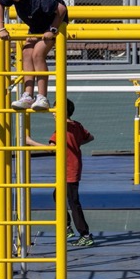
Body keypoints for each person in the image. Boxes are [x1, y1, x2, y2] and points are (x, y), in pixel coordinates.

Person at [0, 0, 69, 111]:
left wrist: (52, 29)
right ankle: (28, 95)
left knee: (38, 53)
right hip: (36, 25)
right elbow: (0, 4)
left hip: (54, 22)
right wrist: (1, 27)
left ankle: (42, 97)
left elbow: (61, 10)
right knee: (26, 53)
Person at [47, 99, 95, 247]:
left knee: (73, 202)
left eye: (54, 110)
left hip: (68, 170)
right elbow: (90, 137)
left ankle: (85, 234)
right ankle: (66, 226)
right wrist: (76, 144)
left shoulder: (62, 128)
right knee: (58, 196)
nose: (53, 113)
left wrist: (29, 141)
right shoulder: (76, 125)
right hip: (72, 167)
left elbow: (51, 148)